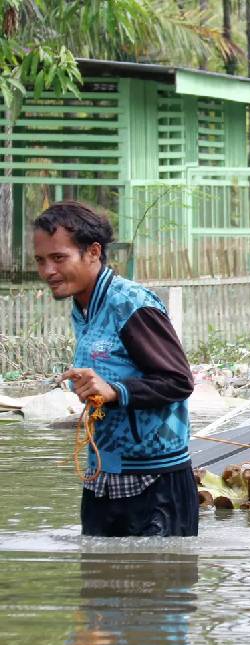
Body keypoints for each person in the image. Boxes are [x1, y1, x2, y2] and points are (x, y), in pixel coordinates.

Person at [32, 201, 197, 537]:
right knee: (98, 581)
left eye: (58, 258)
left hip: (154, 485)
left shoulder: (130, 304)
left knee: (158, 584)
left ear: (93, 253)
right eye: (40, 260)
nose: (48, 270)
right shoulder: (83, 306)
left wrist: (115, 390)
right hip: (102, 478)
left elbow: (179, 381)